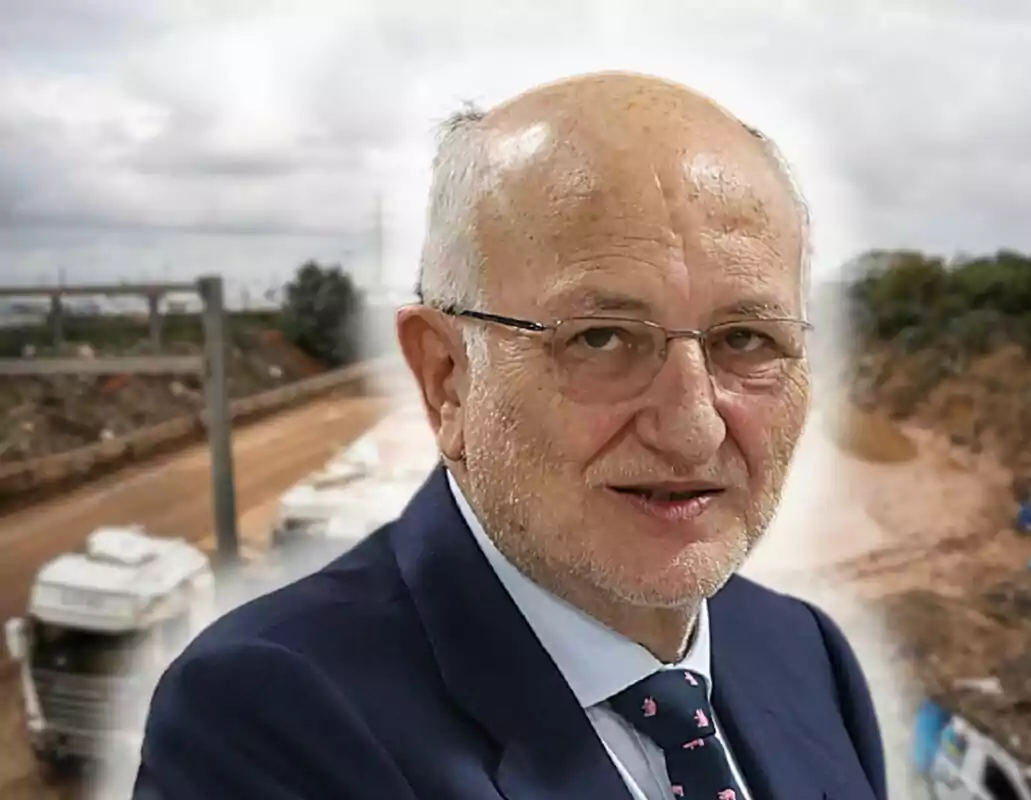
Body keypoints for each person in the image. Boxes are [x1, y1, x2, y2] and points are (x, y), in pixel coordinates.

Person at [133, 71, 886, 800]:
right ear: (447, 378)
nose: (692, 429)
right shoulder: (266, 717)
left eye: (747, 339)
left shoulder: (806, 653)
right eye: (601, 339)